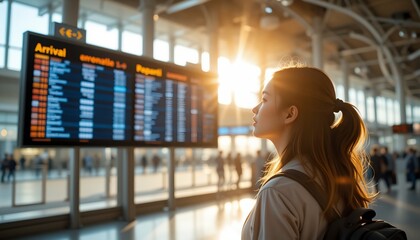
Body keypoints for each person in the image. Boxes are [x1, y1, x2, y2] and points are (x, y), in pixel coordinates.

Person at [242, 67, 375, 239]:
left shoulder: (278, 192)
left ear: (290, 114)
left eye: (264, 99)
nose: (255, 108)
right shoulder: (336, 173)